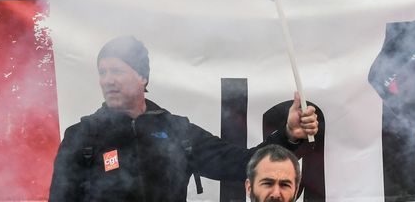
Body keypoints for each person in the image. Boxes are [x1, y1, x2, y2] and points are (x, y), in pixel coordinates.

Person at [48, 36, 320, 202]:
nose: (107, 80)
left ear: (143, 77)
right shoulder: (81, 137)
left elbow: (241, 164)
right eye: (102, 72)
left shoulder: (177, 131)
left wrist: (288, 136)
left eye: (117, 70)